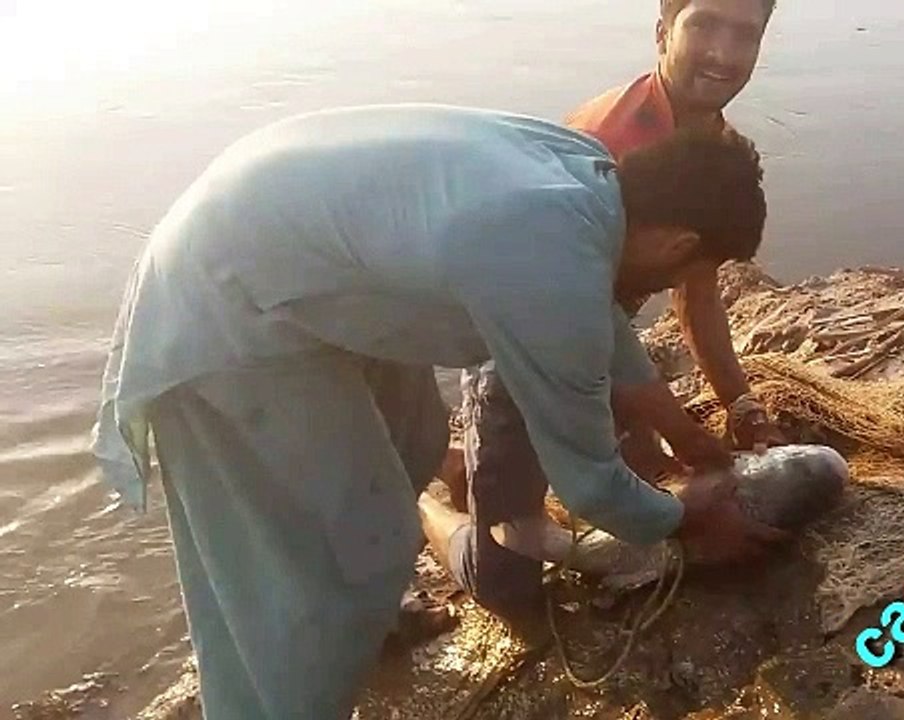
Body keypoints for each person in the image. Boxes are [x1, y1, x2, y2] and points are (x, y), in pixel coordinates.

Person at [90, 104, 786, 720]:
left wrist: (680, 430)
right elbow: (591, 486)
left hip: (289, 245)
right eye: (687, 275)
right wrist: (690, 518)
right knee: (311, 571)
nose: (673, 289)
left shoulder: (588, 179)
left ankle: (372, 623)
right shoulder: (550, 259)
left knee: (415, 441)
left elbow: (591, 309)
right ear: (678, 245)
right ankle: (294, 680)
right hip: (228, 306)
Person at [430, 0, 785, 635]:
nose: (724, 53)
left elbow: (696, 292)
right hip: (520, 340)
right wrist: (661, 459)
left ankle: (459, 461)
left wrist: (740, 405)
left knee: (651, 488)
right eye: (704, 24)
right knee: (507, 584)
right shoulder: (609, 145)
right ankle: (424, 492)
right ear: (662, 31)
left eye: (744, 34)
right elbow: (558, 318)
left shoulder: (714, 146)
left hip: (601, 334)